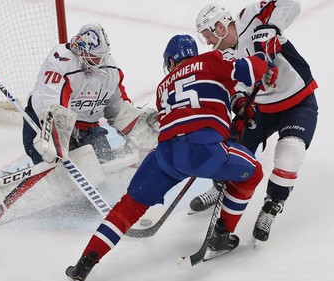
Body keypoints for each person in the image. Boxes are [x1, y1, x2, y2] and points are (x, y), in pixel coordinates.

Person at [65, 34, 278, 280]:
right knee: (252, 174)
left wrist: (239, 108)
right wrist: (265, 61)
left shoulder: (163, 85)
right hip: (204, 150)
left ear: (170, 62)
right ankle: (222, 235)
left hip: (165, 154)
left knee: (129, 207)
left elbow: (196, 107)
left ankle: (85, 262)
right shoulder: (210, 60)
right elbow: (249, 69)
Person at [190, 1, 318, 242]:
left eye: (207, 35)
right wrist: (238, 102)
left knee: (290, 152)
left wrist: (272, 28)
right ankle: (220, 186)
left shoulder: (249, 17)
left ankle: (271, 206)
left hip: (298, 99)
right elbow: (229, 87)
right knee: (230, 150)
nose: (206, 42)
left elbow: (290, 3)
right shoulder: (221, 56)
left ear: (219, 27)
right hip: (260, 107)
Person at [23, 22, 157, 166]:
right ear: (79, 49)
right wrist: (55, 139)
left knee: (106, 165)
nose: (98, 61)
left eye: (101, 57)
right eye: (93, 56)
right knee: (55, 170)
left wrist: (137, 125)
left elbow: (117, 108)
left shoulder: (110, 69)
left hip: (87, 126)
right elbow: (51, 104)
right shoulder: (60, 63)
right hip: (42, 123)